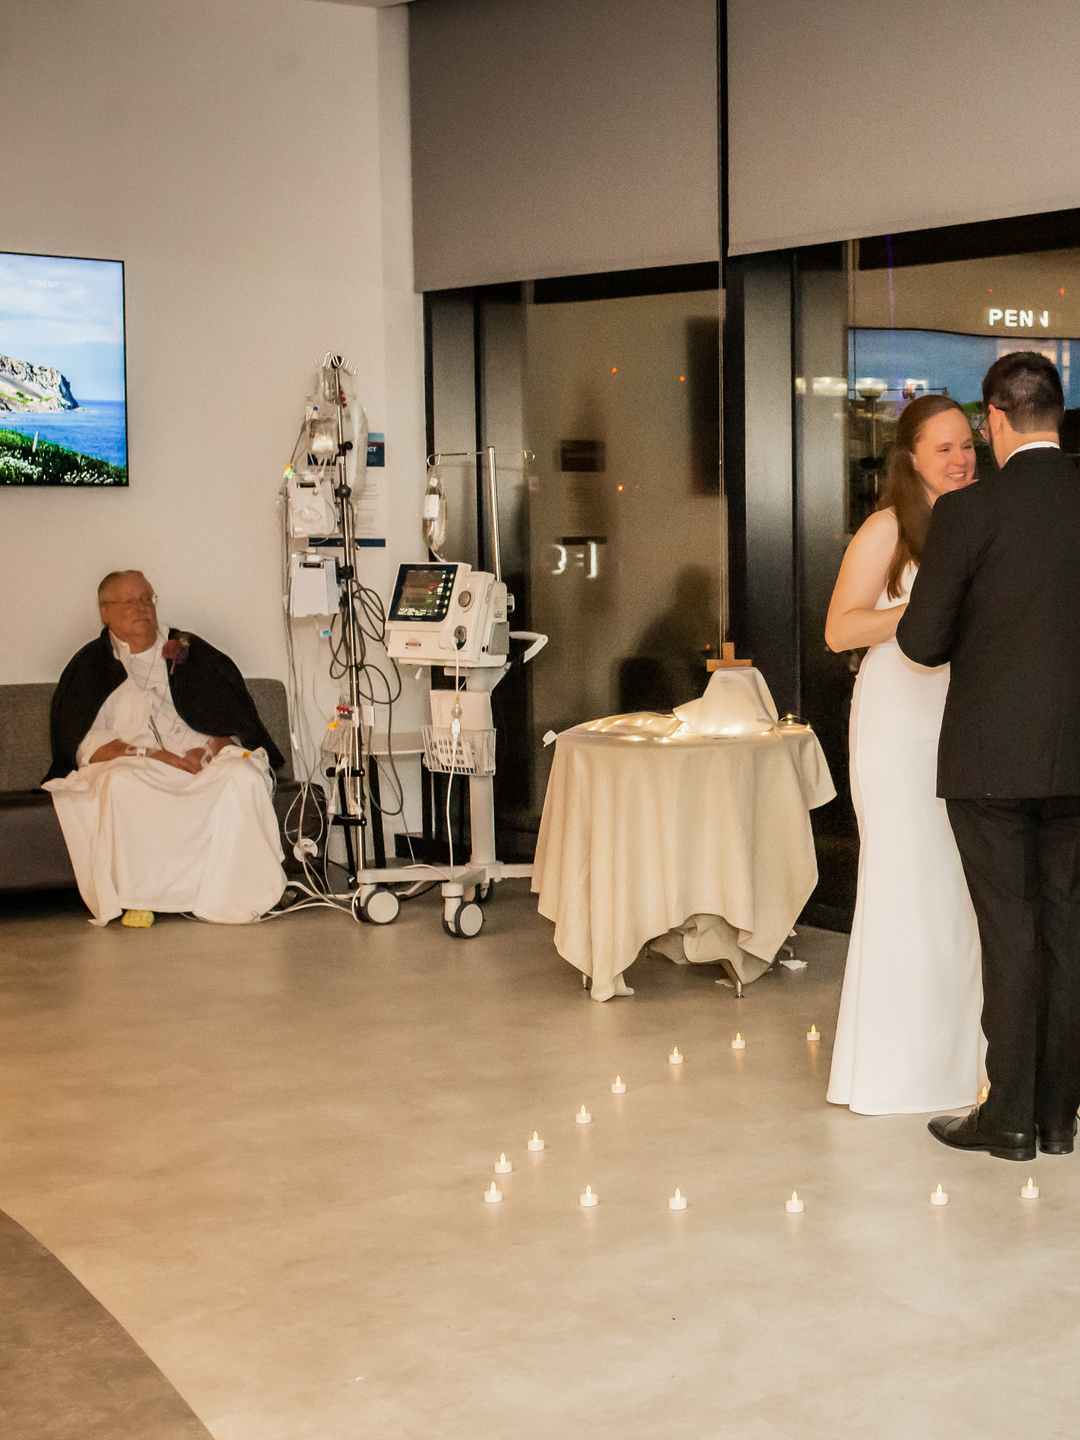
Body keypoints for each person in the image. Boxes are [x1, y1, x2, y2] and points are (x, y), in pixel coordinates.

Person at [897, 353, 1080, 1163]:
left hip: (991, 759)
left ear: (995, 419)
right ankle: (1060, 1116)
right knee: (1070, 931)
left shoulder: (969, 512)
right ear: (1060, 415)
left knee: (1011, 936)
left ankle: (1009, 1119)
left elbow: (921, 641)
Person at [824, 394, 983, 1114]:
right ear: (910, 457)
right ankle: (893, 1071)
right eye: (943, 448)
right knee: (904, 888)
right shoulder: (888, 528)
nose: (959, 458)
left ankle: (962, 1065)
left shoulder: (981, 521)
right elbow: (839, 630)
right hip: (896, 730)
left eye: (968, 446)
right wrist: (923, 610)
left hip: (967, 724)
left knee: (958, 897)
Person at [43, 570, 288, 927]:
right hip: (139, 764)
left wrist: (212, 749)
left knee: (242, 776)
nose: (142, 608)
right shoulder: (90, 665)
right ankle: (140, 898)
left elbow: (232, 718)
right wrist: (152, 755)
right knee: (120, 785)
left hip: (202, 761)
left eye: (147, 598)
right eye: (129, 602)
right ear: (104, 612)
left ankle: (237, 895)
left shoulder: (189, 648)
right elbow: (84, 743)